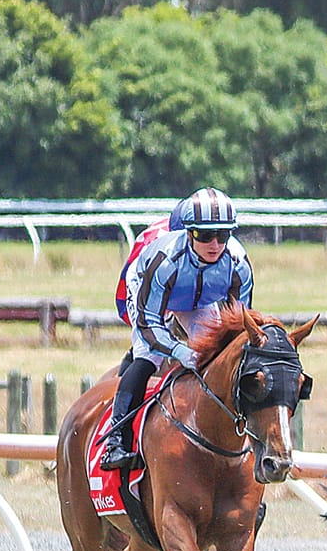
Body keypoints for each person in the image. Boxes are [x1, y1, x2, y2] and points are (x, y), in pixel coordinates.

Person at [99, 188, 256, 469]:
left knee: (219, 359)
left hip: (199, 297)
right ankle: (116, 442)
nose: (215, 244)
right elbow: (149, 325)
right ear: (188, 233)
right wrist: (180, 351)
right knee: (150, 356)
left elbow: (239, 327)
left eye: (223, 235)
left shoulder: (238, 264)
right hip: (149, 289)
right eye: (204, 235)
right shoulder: (164, 262)